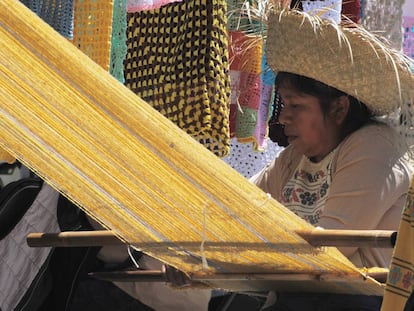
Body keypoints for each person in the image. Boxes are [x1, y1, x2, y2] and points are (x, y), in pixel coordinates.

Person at [247, 5, 414, 311]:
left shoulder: (375, 147)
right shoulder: (293, 159)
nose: (283, 116)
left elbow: (330, 249)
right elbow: (239, 203)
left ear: (339, 109)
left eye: (296, 105)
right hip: (306, 295)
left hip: (363, 301)